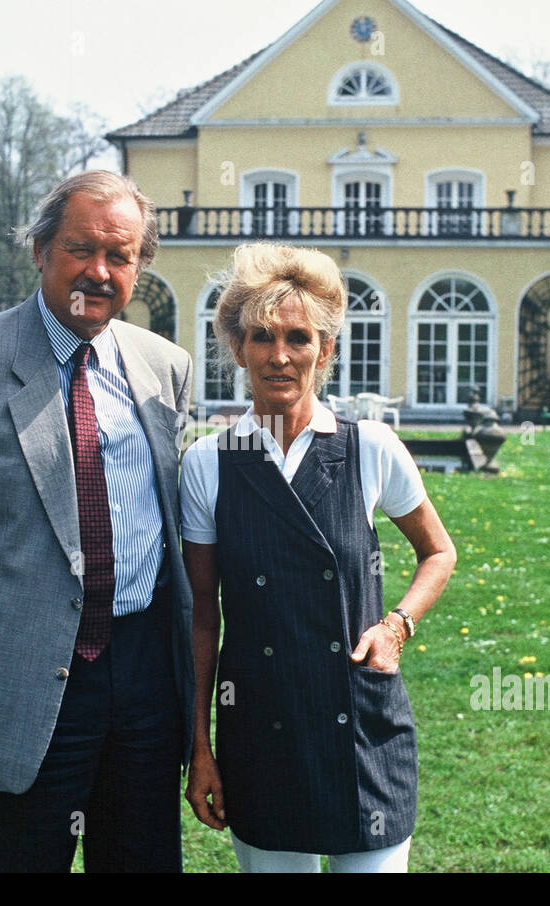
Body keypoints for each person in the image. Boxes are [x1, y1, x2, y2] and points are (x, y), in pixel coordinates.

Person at [0, 171, 194, 872]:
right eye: (82, 248)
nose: (101, 271)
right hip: (18, 677)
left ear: (141, 265)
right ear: (40, 249)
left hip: (144, 681)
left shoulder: (165, 367)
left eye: (122, 255)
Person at [180, 243, 457, 872]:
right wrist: (199, 745)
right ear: (238, 348)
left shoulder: (370, 448)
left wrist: (397, 626)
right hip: (259, 729)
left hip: (361, 727)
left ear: (325, 351)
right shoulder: (207, 465)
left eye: (299, 338)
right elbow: (201, 614)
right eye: (262, 337)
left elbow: (438, 552)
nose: (280, 355)